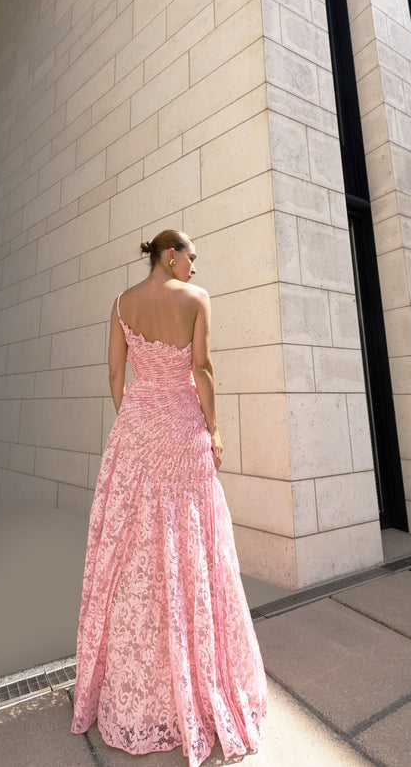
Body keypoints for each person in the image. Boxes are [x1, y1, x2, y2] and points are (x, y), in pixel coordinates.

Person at [70, 229, 267, 766]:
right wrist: (216, 429)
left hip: (135, 431)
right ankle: (195, 688)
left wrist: (133, 417)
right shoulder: (196, 301)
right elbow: (201, 369)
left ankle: (137, 689)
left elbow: (115, 371)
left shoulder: (121, 303)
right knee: (193, 549)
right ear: (170, 255)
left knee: (130, 552)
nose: (195, 270)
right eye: (191, 258)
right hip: (183, 430)